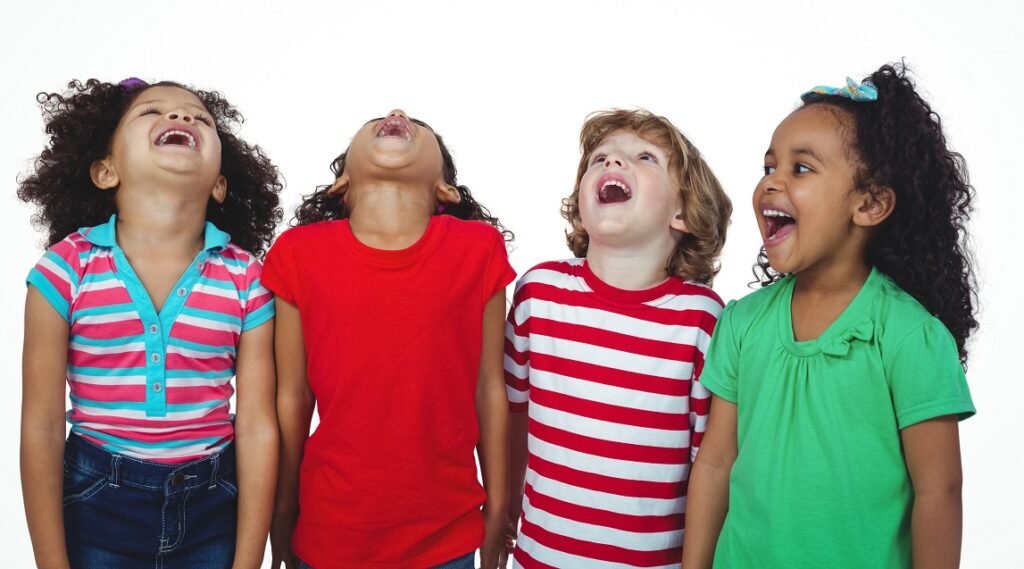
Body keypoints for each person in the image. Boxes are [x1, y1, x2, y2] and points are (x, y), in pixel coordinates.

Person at [682, 63, 977, 568]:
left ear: (870, 204)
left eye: (800, 169)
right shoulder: (742, 323)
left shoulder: (909, 337)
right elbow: (715, 464)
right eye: (768, 167)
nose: (771, 183)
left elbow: (939, 492)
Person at [20, 77, 282, 568]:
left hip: (214, 507)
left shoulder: (247, 278)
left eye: (200, 118)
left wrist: (248, 561)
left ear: (220, 183)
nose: (181, 117)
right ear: (106, 170)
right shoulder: (64, 270)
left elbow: (257, 427)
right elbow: (41, 425)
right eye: (151, 112)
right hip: (95, 504)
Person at [264, 110, 514, 569]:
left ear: (445, 189)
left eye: (418, 124)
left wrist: (500, 503)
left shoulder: (479, 249)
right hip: (327, 533)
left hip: (448, 536)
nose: (396, 114)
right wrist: (282, 508)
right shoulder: (297, 254)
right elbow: (293, 396)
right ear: (341, 183)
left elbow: (489, 388)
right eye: (376, 119)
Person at [503, 108, 732, 568]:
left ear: (683, 212)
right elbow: (512, 415)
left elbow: (709, 465)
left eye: (645, 157)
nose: (612, 162)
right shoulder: (538, 294)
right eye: (598, 158)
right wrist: (506, 511)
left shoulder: (701, 319)